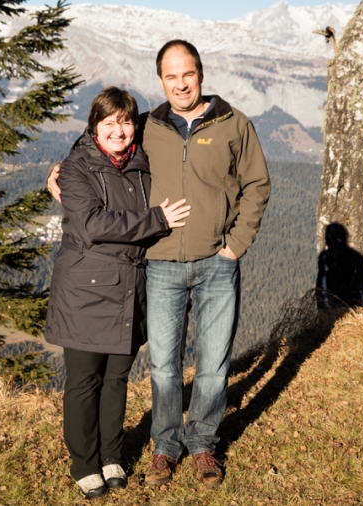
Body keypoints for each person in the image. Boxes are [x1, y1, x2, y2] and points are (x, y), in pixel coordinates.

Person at [48, 40, 271, 489]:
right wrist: (59, 173)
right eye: (171, 77)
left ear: (200, 74)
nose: (181, 83)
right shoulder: (150, 124)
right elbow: (98, 138)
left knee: (213, 363)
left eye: (187, 74)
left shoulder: (233, 123)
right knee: (164, 366)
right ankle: (164, 448)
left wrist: (236, 243)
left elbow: (257, 183)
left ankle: (203, 444)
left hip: (216, 261)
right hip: (161, 265)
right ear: (162, 81)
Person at [44, 86, 191, 499]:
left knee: (117, 380)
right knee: (84, 381)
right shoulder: (76, 169)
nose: (119, 130)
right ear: (94, 127)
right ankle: (84, 463)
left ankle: (111, 455)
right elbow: (93, 225)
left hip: (129, 289)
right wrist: (157, 219)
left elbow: (175, 112)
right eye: (109, 122)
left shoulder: (143, 164)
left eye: (126, 121)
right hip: (85, 292)